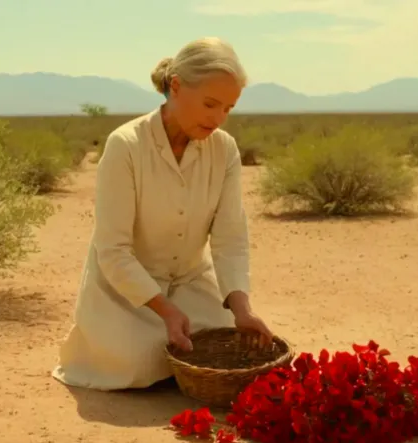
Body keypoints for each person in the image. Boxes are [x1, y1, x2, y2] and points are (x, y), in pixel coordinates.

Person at [51, 37, 275, 391]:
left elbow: (230, 238)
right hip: (125, 292)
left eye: (228, 109)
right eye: (210, 104)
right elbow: (113, 251)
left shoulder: (225, 150)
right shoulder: (126, 145)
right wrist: (167, 312)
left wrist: (241, 309)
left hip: (190, 283)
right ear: (176, 86)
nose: (218, 119)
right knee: (140, 361)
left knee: (222, 342)